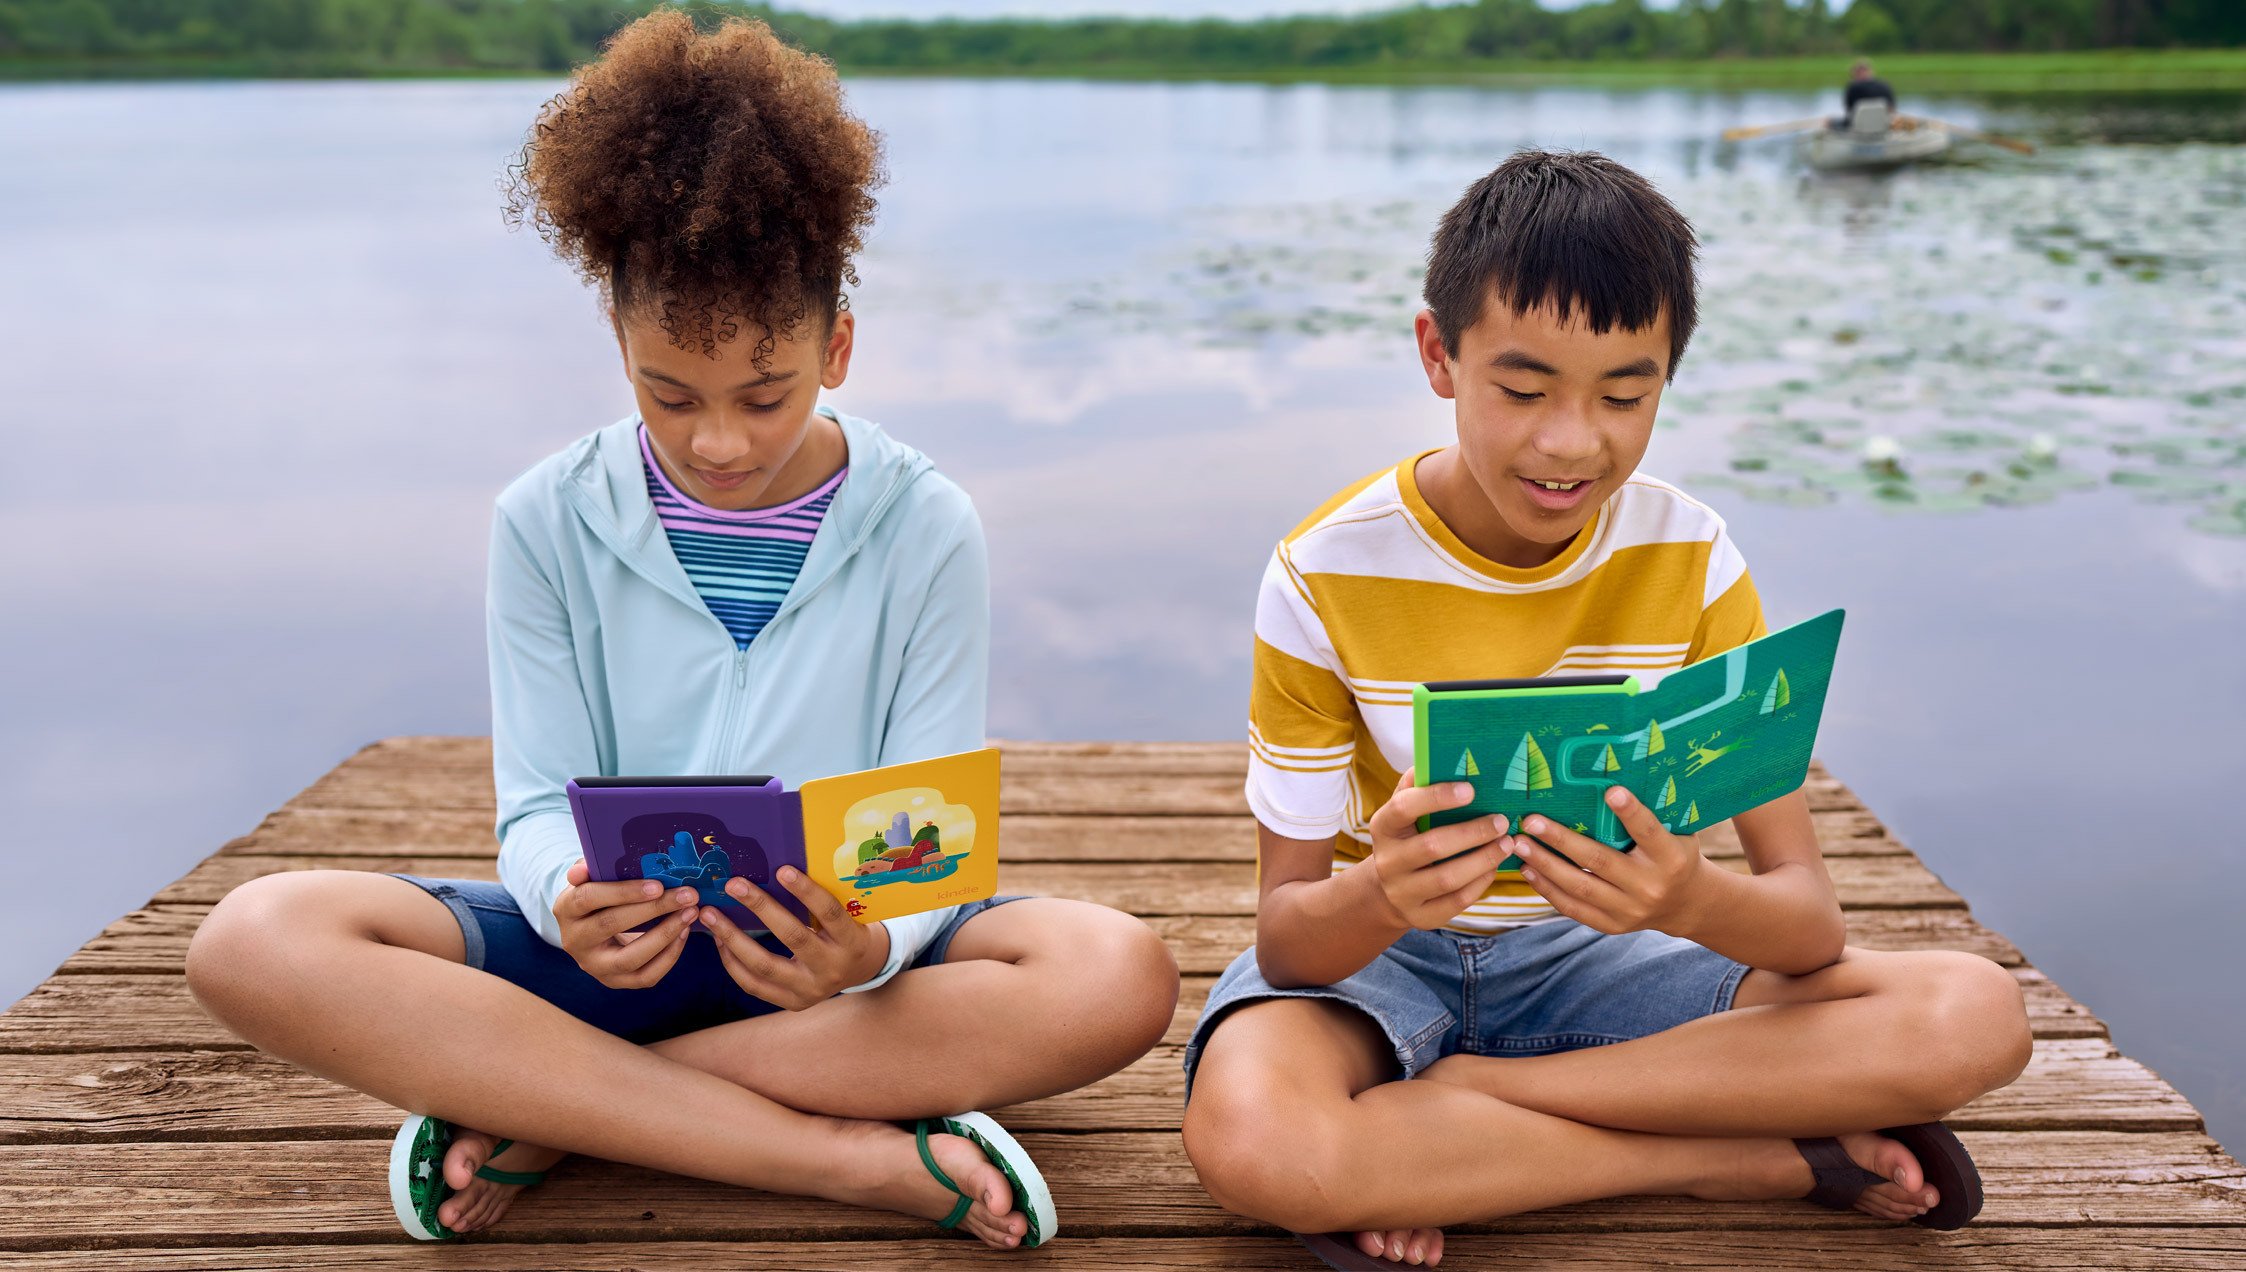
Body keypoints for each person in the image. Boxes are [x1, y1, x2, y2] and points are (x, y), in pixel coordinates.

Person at [184, 11, 1177, 1252]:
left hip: (825, 977)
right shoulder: (545, 517)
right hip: (606, 964)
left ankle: (555, 1104)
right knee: (254, 939)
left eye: (765, 395)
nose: (718, 441)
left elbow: (928, 818)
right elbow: (535, 804)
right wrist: (564, 898)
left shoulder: (925, 522)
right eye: (669, 394)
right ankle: (838, 1157)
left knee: (1114, 972)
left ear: (836, 346)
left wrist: (871, 945)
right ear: (618, 345)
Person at [1178, 150, 2031, 1269]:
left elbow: (1806, 923)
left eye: (1625, 397)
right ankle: (1739, 1160)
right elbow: (1289, 941)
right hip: (1378, 969)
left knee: (1972, 1016)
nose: (1571, 442)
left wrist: (1687, 897)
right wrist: (1382, 893)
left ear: (1666, 378)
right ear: (1438, 355)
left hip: (1606, 961)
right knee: (1253, 1141)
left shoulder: (1693, 557)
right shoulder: (1323, 571)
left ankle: (1464, 1113)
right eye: (1522, 390)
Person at [1836, 59, 1899, 129]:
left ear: (1855, 73)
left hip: (1858, 126)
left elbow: (1849, 110)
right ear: (1871, 71)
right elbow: (1892, 109)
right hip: (1883, 125)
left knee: (1827, 121)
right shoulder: (1885, 85)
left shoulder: (1852, 87)